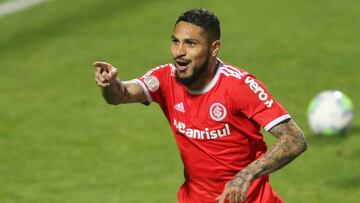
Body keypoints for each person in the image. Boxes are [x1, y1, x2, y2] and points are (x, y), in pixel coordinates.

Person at [93, 8, 307, 203]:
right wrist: (110, 84)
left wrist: (245, 175)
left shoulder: (239, 86)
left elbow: (294, 139)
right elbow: (120, 95)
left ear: (214, 48)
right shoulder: (165, 79)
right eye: (175, 41)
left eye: (191, 43)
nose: (179, 52)